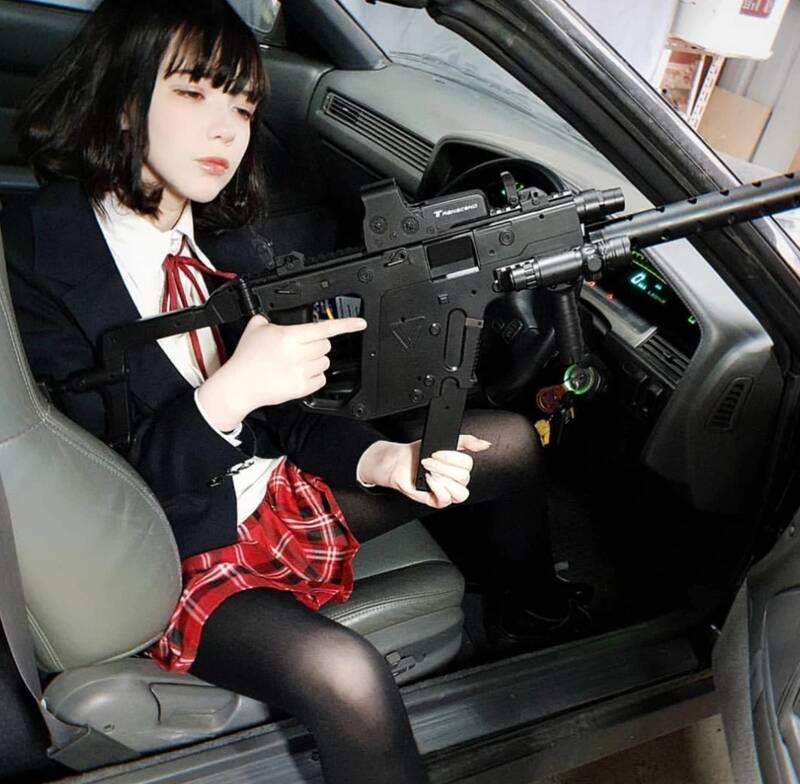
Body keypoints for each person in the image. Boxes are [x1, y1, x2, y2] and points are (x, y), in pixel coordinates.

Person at [4, 2, 589, 782]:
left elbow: (288, 416)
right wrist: (226, 396)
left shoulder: (225, 242)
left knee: (508, 443)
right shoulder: (36, 261)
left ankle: (534, 618)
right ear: (122, 99)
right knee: (347, 676)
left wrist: (382, 459)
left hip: (267, 492)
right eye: (193, 94)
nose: (226, 131)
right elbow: (97, 491)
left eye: (243, 107)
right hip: (169, 547)